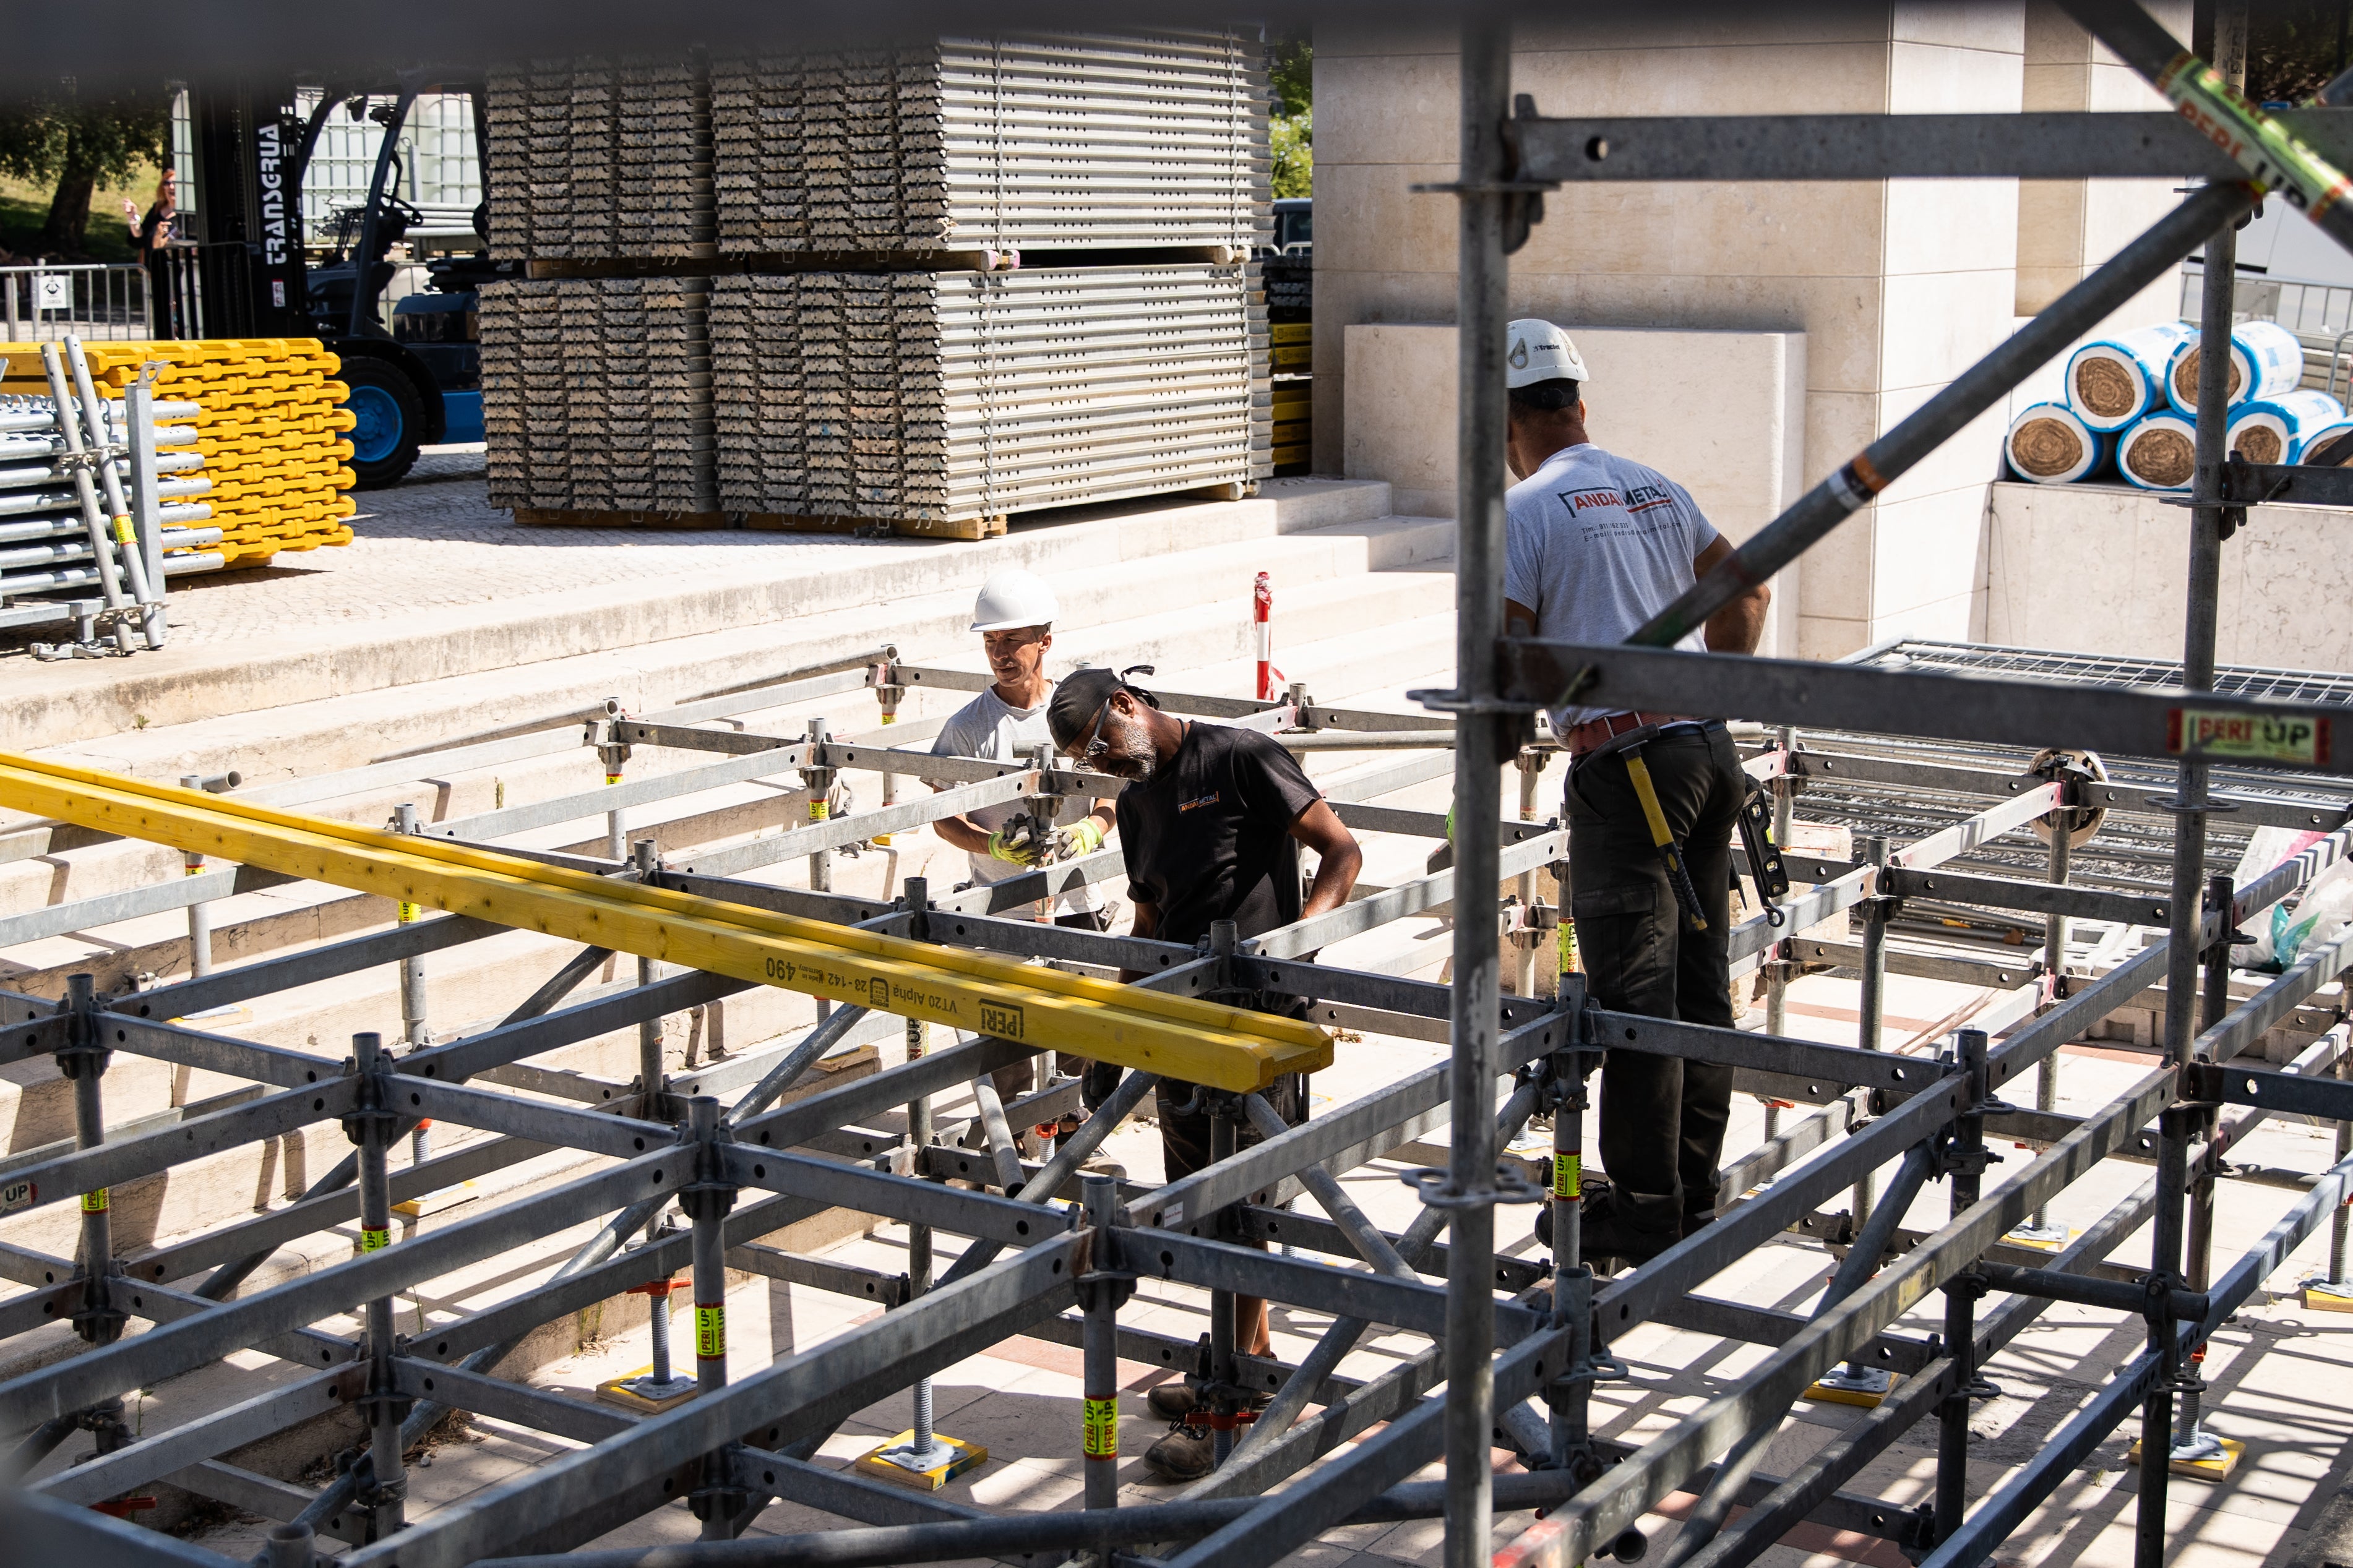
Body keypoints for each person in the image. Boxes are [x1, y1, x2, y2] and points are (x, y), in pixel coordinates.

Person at [1499, 318, 1771, 1267]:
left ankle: (1644, 1207)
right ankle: (1691, 1189)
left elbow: (1510, 653)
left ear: (1505, 419)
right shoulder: (1651, 484)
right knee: (1700, 986)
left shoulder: (1525, 509)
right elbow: (1747, 595)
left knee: (1636, 999)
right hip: (1704, 752)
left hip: (1628, 770)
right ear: (1578, 403)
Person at [1047, 664, 1363, 1482]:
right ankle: (1243, 1362)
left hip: (1255, 1023)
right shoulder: (1137, 801)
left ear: (1127, 704)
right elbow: (1149, 913)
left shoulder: (1239, 757)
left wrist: (1295, 950)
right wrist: (1114, 1036)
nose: (1105, 765)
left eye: (1101, 745)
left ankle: (1232, 1398)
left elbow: (1341, 849)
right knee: (1202, 1206)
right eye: (1090, 760)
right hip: (1182, 1024)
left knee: (1244, 1203)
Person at [929, 569, 1121, 1141]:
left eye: (1013, 641)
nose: (1001, 654)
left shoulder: (1077, 715)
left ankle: (1069, 1140)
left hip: (1075, 902)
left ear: (1045, 642)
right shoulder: (967, 729)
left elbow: (1115, 796)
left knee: (1081, 1038)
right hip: (1003, 909)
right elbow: (944, 817)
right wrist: (989, 844)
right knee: (1006, 1046)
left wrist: (1089, 829)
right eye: (991, 642)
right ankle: (1006, 1144)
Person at [123, 169, 180, 340]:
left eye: (175, 183)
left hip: (179, 275)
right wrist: (133, 218)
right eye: (166, 183)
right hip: (156, 274)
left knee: (178, 318)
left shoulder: (188, 213)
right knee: (161, 319)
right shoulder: (158, 210)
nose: (170, 187)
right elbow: (139, 239)